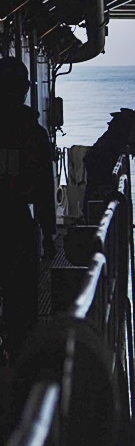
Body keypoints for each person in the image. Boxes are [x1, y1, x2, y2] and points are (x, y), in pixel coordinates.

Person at [1, 55, 56, 361]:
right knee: (21, 297)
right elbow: (44, 189)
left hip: (15, 219)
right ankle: (19, 357)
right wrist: (49, 234)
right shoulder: (33, 133)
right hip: (17, 220)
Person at [83, 97, 135, 202]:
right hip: (99, 159)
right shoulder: (125, 121)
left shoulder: (130, 122)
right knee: (96, 191)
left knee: (99, 191)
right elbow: (124, 141)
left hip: (101, 159)